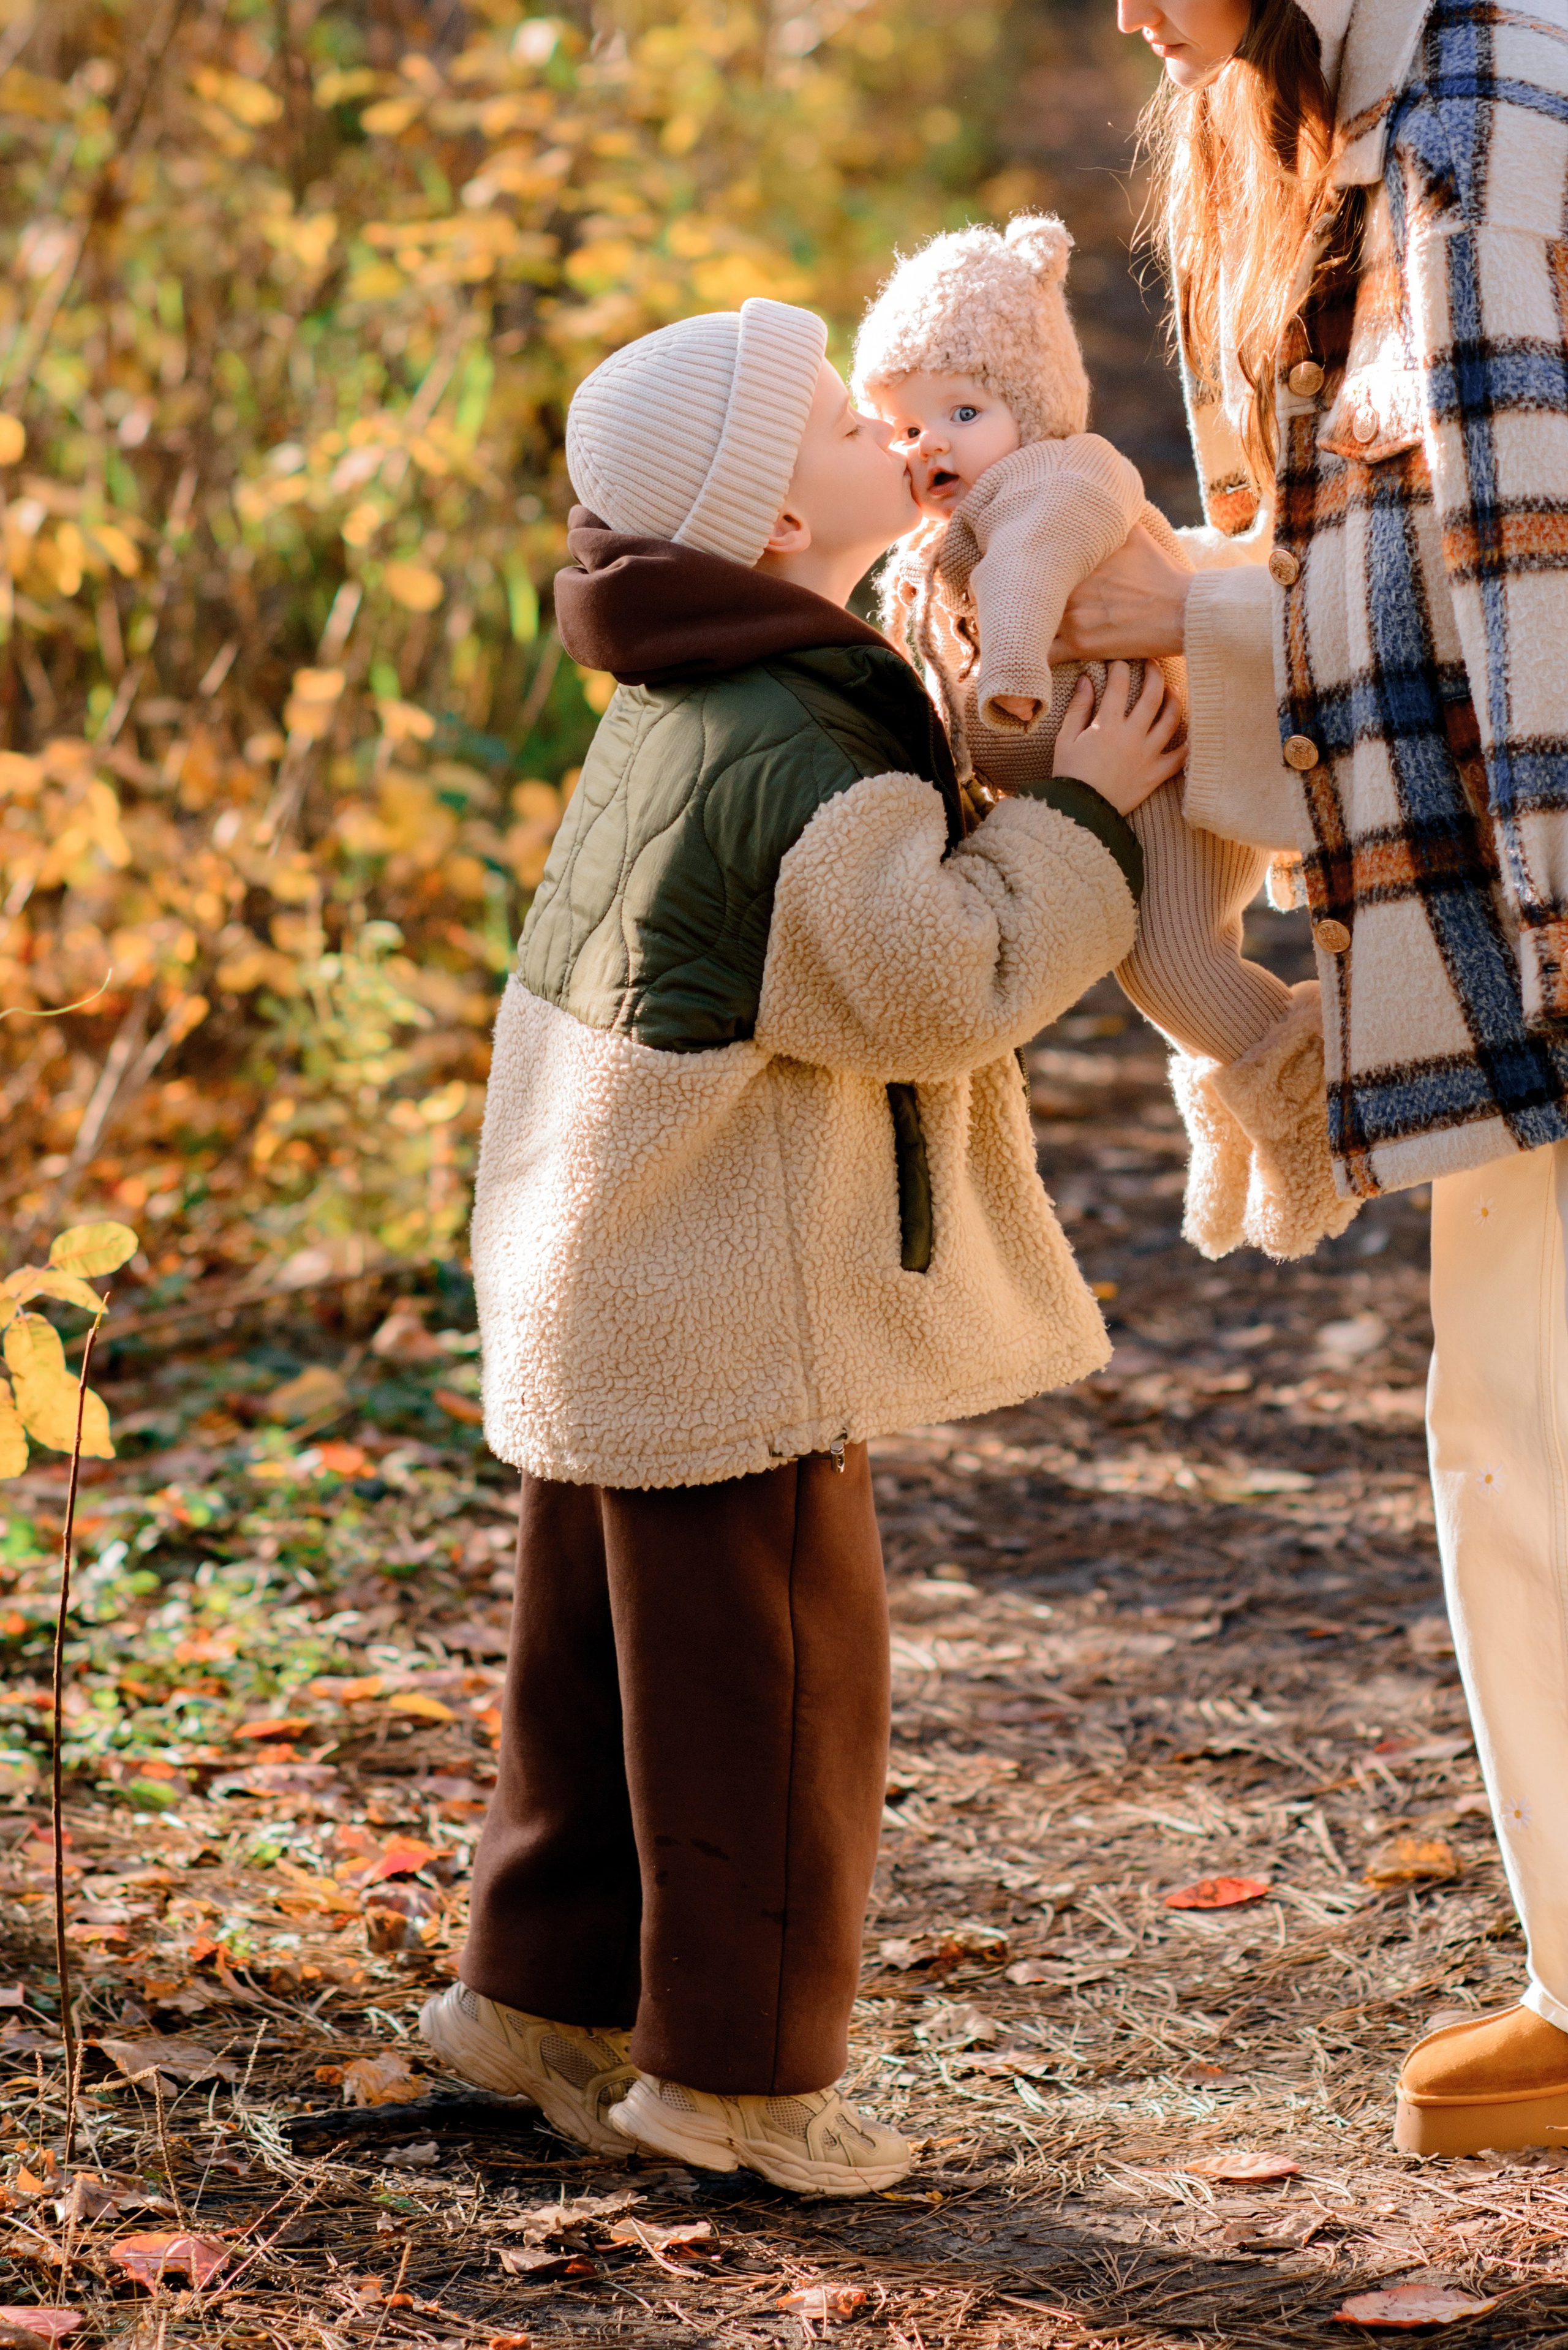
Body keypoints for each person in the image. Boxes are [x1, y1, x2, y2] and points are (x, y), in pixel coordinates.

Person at [420, 296, 1181, 2194]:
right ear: (773, 517)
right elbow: (936, 983)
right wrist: (1091, 811)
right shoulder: (804, 747)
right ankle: (742, 2084)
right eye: (850, 416)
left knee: (596, 1679)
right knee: (776, 1688)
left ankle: (535, 2002)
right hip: (715, 1296)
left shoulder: (696, 694)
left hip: (600, 1268)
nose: (889, 424)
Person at [1063, 0, 1568, 2155]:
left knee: (1535, 1410)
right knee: (1513, 1411)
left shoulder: (1481, 133)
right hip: (1503, 887)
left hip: (1548, 882)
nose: (1119, 14)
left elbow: (1521, 619)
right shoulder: (1345, 129)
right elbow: (1380, 560)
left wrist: (1182, 609)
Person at [854, 209, 1353, 1260]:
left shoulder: (1056, 478)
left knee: (1174, 959)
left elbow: (1027, 573)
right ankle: (1238, 1118)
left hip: (1163, 767)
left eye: (963, 408)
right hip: (1116, 781)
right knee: (1167, 971)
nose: (929, 441)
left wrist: (1015, 678)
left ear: (1029, 412)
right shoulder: (938, 536)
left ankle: (1315, 1116)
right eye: (901, 426)